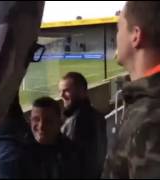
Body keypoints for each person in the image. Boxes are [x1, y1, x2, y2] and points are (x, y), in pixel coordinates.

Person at [103, 2, 160, 178]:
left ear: (135, 36)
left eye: (119, 28)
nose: (116, 36)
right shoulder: (144, 101)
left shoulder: (151, 120)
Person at [59, 72, 107, 178]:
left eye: (66, 91)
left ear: (82, 92)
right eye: (60, 91)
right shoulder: (97, 116)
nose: (61, 95)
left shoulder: (76, 122)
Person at [27, 96, 80, 178]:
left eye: (48, 121)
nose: (41, 126)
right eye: (36, 119)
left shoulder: (70, 154)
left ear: (59, 122)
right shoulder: (21, 150)